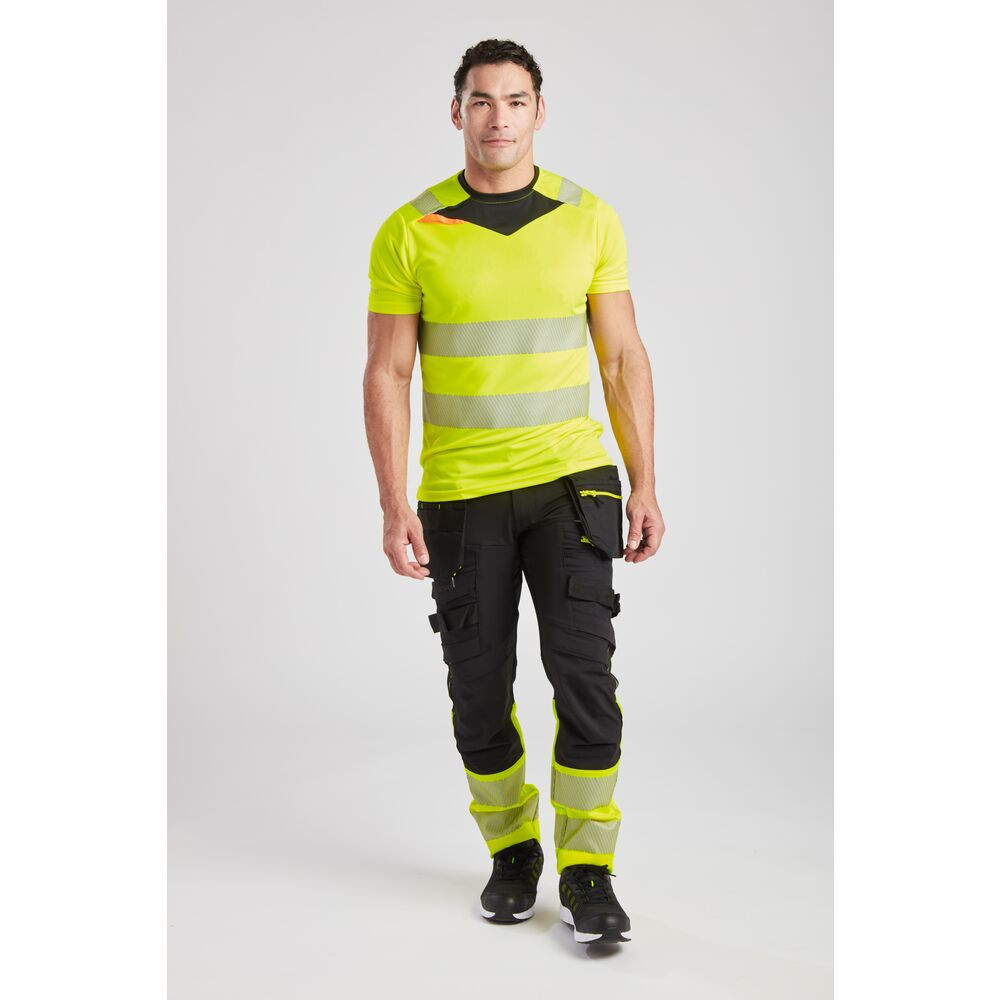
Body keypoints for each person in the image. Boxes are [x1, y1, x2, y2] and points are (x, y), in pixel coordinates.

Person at [363, 38, 664, 945]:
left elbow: (622, 357)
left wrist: (645, 481)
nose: (499, 117)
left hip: (573, 486)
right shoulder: (411, 229)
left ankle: (588, 868)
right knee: (478, 688)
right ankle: (512, 851)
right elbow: (387, 373)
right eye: (482, 100)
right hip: (461, 498)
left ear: (540, 111)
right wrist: (394, 503)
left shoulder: (589, 218)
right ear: (456, 112)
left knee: (585, 678)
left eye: (516, 100)